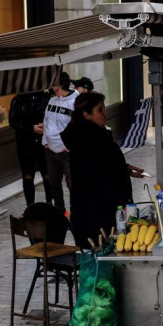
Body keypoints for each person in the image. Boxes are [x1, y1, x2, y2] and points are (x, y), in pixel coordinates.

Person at [60, 92, 142, 248]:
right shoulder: (87, 140)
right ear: (86, 115)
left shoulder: (95, 136)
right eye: (100, 110)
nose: (105, 113)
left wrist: (124, 169)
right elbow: (97, 176)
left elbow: (103, 166)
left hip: (102, 211)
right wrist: (121, 203)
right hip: (97, 215)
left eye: (104, 108)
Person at [35, 72, 77, 213]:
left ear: (59, 84)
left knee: (72, 184)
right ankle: (60, 212)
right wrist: (45, 142)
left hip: (66, 151)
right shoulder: (52, 101)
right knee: (54, 183)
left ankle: (76, 212)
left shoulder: (75, 102)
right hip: (50, 149)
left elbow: (75, 126)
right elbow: (47, 120)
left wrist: (69, 145)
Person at [7, 91, 52, 207]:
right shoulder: (18, 100)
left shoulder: (46, 98)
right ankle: (30, 206)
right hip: (25, 142)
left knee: (47, 173)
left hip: (44, 141)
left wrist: (46, 125)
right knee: (28, 175)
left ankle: (50, 203)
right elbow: (13, 121)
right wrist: (31, 128)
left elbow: (53, 116)